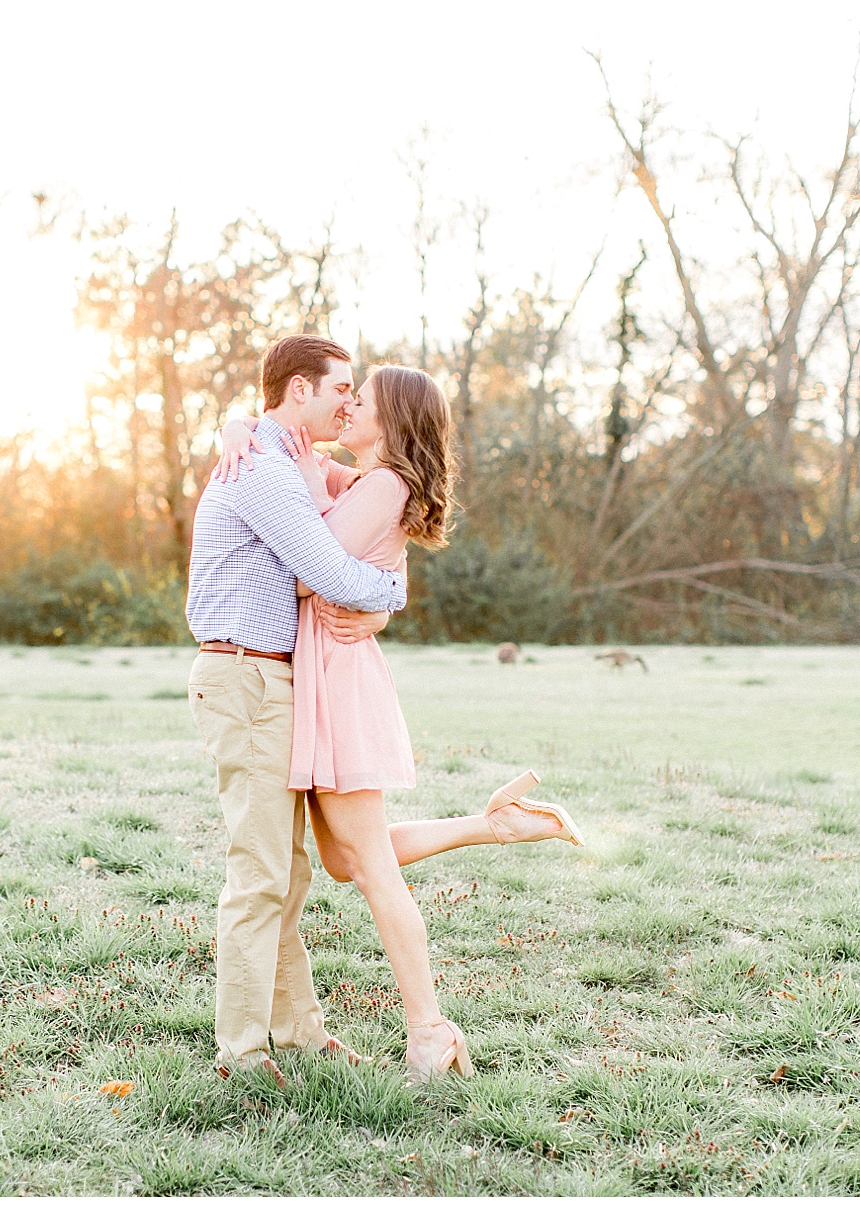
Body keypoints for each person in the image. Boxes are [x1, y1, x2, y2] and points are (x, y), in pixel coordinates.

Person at [212, 364, 586, 1082]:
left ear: (395, 419)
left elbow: (300, 570)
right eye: (344, 395)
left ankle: (430, 1032)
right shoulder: (359, 480)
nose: (349, 406)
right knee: (347, 859)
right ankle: (493, 824)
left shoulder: (383, 485)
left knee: (373, 870)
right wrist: (236, 426)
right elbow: (282, 454)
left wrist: (381, 593)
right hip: (322, 674)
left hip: (339, 681)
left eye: (365, 399)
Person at [184, 334, 406, 1086]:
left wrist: (232, 419)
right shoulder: (263, 470)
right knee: (259, 871)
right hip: (245, 677)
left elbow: (370, 492)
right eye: (341, 386)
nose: (350, 399)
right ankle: (241, 1053)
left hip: (268, 679)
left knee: (290, 869)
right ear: (300, 391)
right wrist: (393, 597)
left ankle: (300, 1033)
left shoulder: (284, 457)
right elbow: (328, 570)